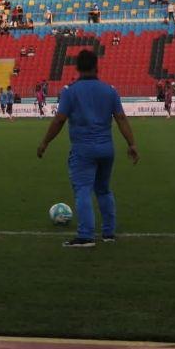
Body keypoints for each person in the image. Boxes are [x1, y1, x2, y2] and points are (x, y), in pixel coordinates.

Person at [36, 49, 139, 247]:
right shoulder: (110, 90)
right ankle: (108, 233)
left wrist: (45, 142)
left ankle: (86, 235)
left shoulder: (70, 91)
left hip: (83, 149)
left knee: (82, 190)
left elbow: (59, 120)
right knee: (103, 189)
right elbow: (121, 118)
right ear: (96, 66)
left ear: (77, 67)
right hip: (106, 149)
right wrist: (131, 144)